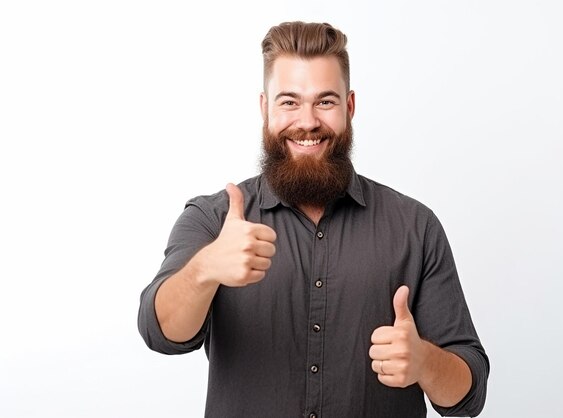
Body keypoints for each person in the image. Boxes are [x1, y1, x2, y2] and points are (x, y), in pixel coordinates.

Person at [138, 21, 489, 418]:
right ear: (265, 108)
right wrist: (205, 269)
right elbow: (160, 333)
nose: (307, 122)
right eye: (289, 102)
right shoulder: (213, 219)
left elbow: (469, 394)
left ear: (350, 107)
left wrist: (425, 361)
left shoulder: (415, 226)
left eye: (325, 101)